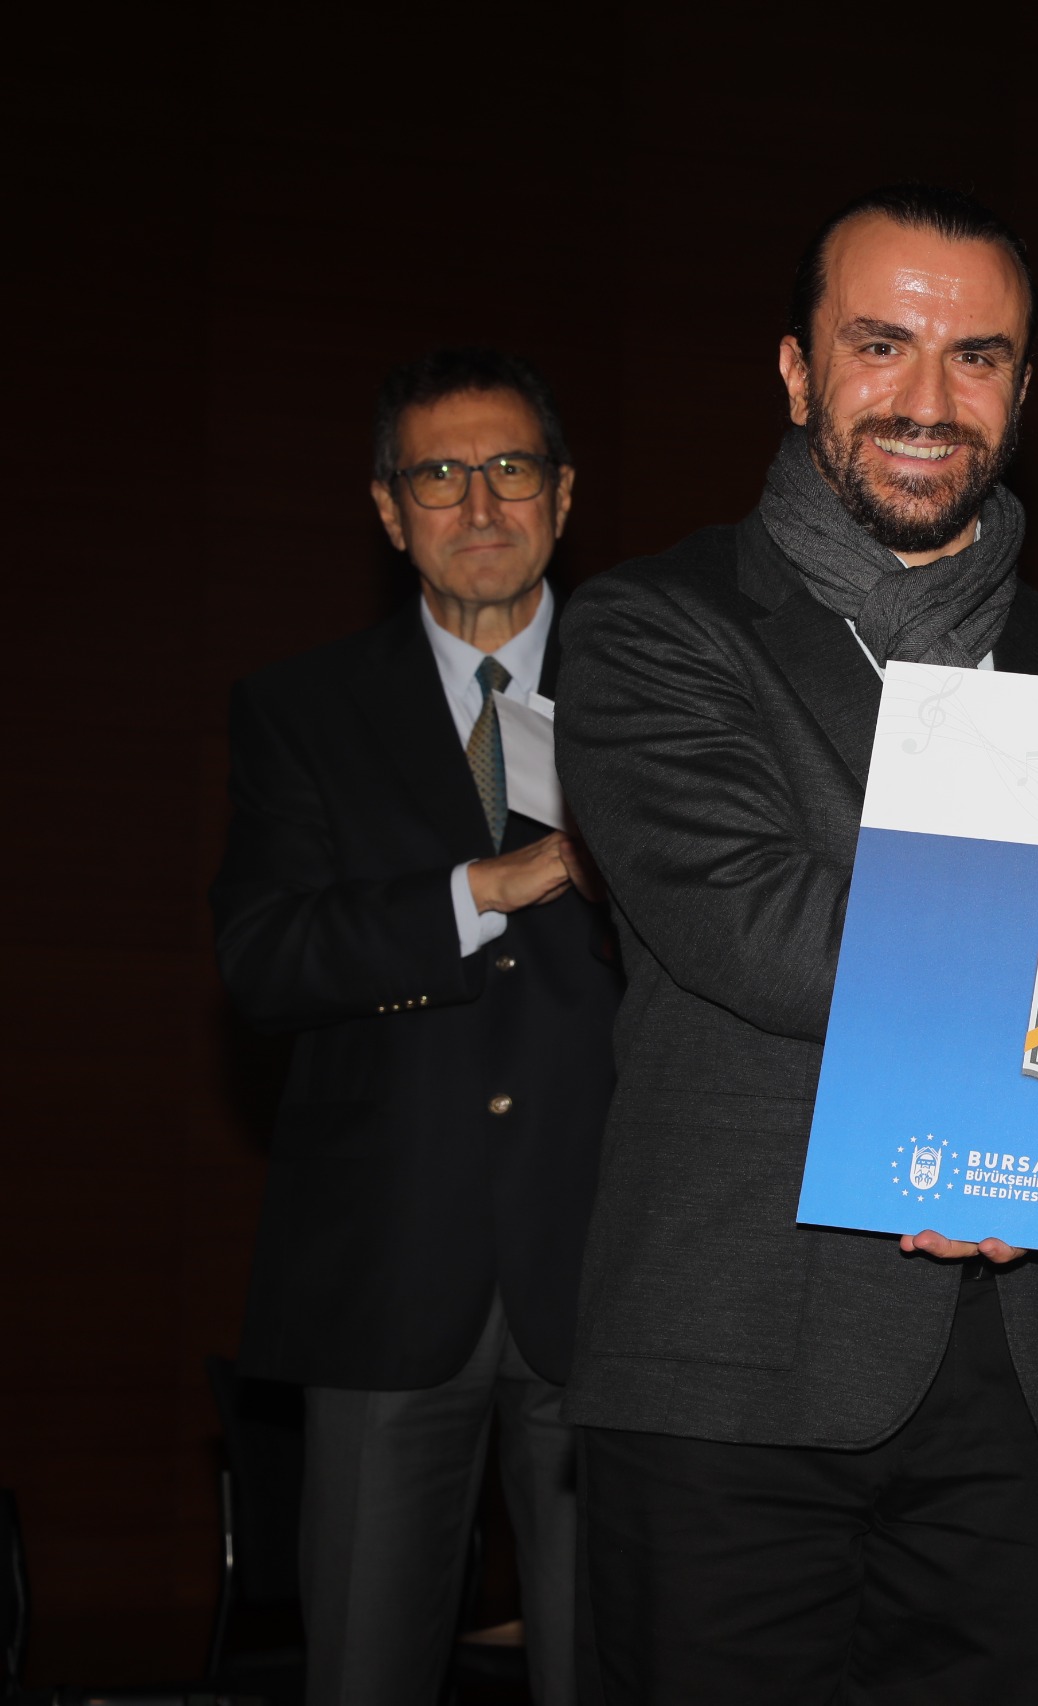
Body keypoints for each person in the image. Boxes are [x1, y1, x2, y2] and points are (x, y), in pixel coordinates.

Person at [554, 186, 1038, 1702]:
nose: (928, 401)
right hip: (729, 1370)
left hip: (1017, 1379)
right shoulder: (656, 627)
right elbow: (755, 920)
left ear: (1023, 391)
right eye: (882, 345)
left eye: (977, 357)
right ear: (796, 369)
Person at [212, 348, 615, 1704]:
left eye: (510, 468)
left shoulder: (667, 689)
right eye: (440, 475)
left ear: (563, 494)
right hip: (384, 1275)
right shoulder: (300, 710)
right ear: (389, 510)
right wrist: (482, 887)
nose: (480, 503)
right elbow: (265, 958)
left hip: (616, 1272)